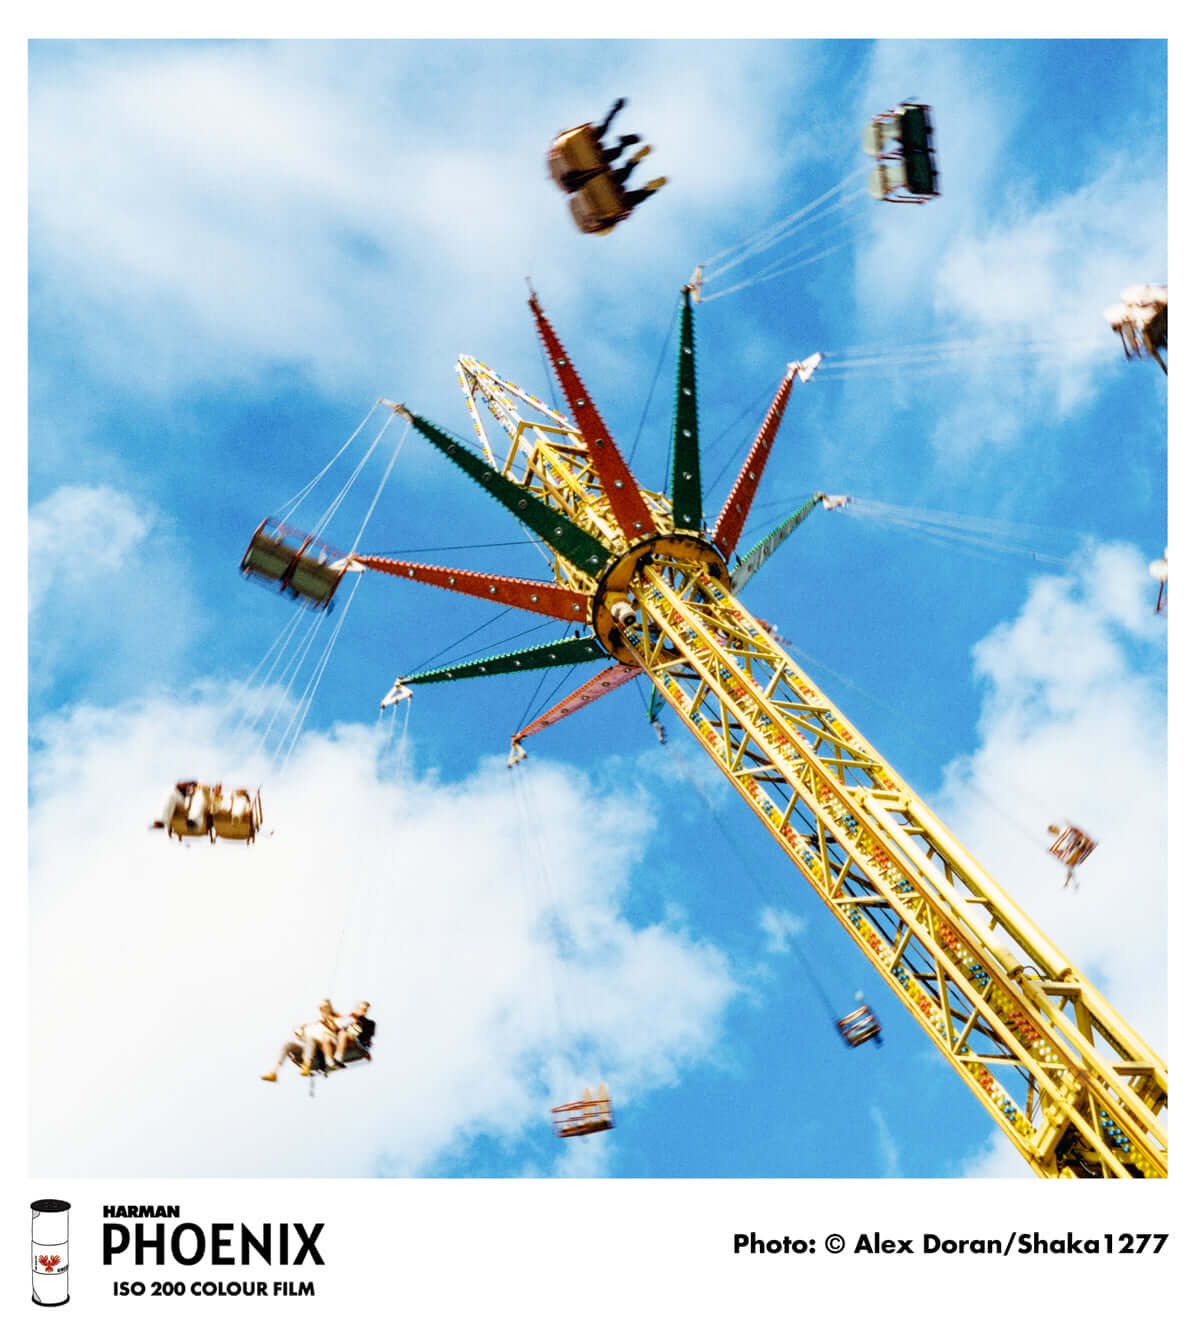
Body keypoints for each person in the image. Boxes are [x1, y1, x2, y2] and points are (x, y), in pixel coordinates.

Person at [260, 1000, 340, 1081]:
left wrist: (329, 1020)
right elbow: (302, 1035)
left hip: (324, 1046)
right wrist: (302, 1030)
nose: (323, 1010)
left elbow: (337, 1029)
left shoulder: (336, 1019)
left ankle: (306, 1066)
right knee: (288, 1044)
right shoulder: (316, 1023)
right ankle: (274, 1072)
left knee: (311, 1039)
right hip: (309, 1047)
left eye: (325, 1007)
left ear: (330, 1008)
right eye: (321, 1008)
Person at [334, 1001, 374, 1066]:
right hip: (347, 1041)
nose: (362, 1012)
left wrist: (358, 1022)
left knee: (343, 1034)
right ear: (356, 1009)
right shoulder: (349, 1018)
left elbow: (365, 1036)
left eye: (364, 1010)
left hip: (359, 1044)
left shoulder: (370, 1023)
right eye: (360, 1009)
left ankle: (338, 1059)